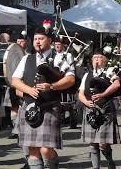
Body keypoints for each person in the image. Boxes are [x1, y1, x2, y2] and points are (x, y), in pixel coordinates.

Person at [12, 25, 75, 169]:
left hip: (49, 107)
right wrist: (28, 89)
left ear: (50, 40)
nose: (37, 42)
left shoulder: (61, 57)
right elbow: (15, 80)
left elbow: (70, 79)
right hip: (29, 108)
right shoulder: (27, 58)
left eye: (41, 38)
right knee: (33, 150)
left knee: (46, 149)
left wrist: (52, 86)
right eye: (35, 39)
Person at [78, 49, 120, 169]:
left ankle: (109, 160)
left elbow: (116, 85)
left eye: (99, 57)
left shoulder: (109, 71)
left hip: (105, 110)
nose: (96, 59)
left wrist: (103, 94)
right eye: (94, 57)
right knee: (93, 144)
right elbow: (80, 92)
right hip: (90, 111)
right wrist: (85, 101)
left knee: (102, 144)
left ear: (104, 60)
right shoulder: (87, 74)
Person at [53, 36, 78, 129]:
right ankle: (60, 120)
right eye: (56, 45)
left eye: (59, 44)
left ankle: (73, 121)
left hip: (66, 80)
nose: (57, 46)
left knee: (69, 104)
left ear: (63, 45)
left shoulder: (68, 55)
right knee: (58, 102)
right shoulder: (53, 55)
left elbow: (72, 69)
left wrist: (65, 71)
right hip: (56, 80)